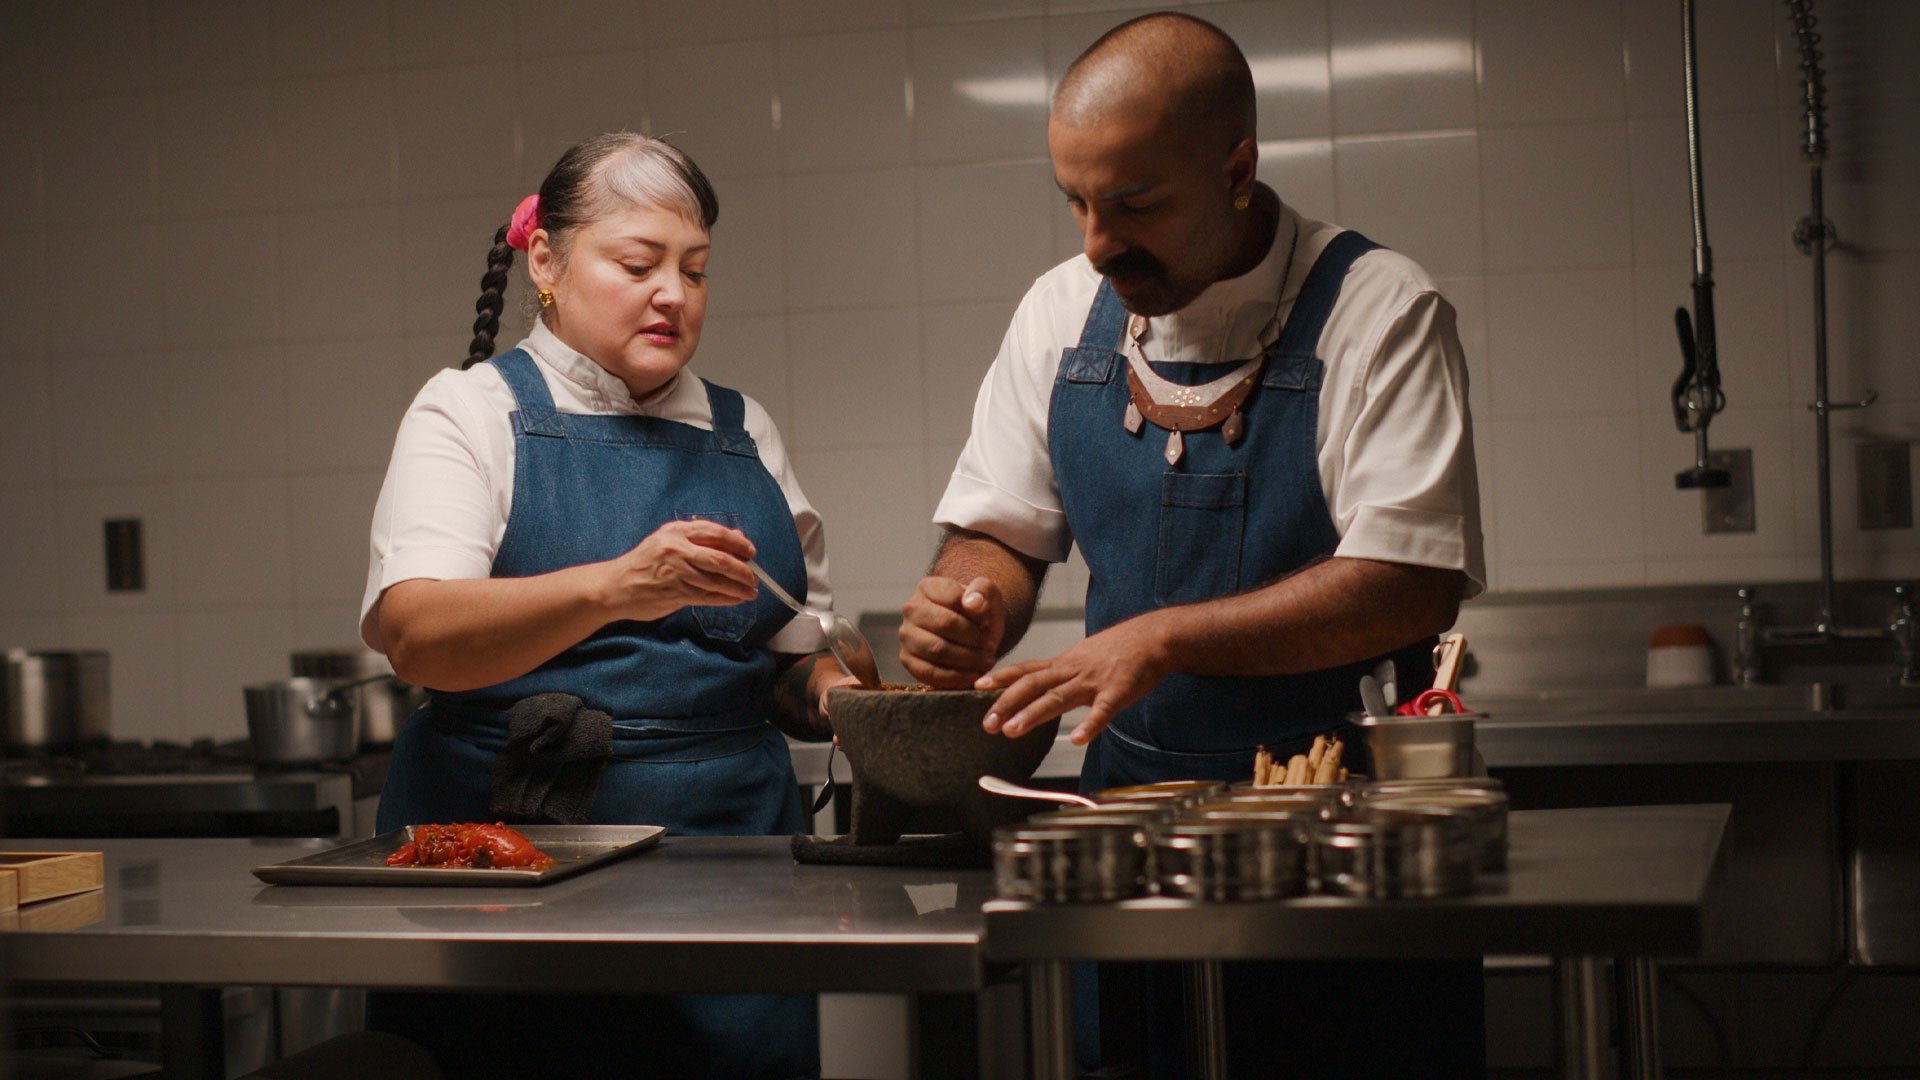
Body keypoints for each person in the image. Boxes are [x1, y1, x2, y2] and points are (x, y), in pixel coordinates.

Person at [899, 12, 1486, 1078]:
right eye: (1076, 202)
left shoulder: (1378, 309)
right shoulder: (1058, 314)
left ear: (1238, 171)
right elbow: (998, 533)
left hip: (1345, 835)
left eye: (1134, 204)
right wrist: (969, 601)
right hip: (1131, 833)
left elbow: (1408, 585)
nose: (1097, 242)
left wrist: (1163, 637)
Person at [359, 132, 852, 1080]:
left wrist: (840, 697)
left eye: (694, 270)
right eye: (638, 264)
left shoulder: (743, 431)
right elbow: (419, 635)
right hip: (513, 869)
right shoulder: (469, 413)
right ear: (546, 261)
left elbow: (792, 655)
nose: (674, 294)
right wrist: (622, 585)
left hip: (732, 867)